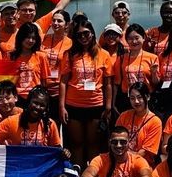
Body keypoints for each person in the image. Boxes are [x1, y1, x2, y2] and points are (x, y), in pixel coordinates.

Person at [60, 20, 112, 168]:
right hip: (74, 104)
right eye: (79, 35)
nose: (83, 37)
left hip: (95, 105)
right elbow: (63, 82)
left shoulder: (103, 54)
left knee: (93, 143)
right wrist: (62, 107)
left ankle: (93, 173)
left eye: (86, 33)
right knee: (77, 143)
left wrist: (108, 106)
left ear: (92, 33)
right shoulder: (69, 55)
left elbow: (108, 83)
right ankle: (78, 172)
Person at [114, 24, 159, 113]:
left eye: (137, 38)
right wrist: (113, 103)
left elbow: (156, 83)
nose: (134, 41)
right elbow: (117, 83)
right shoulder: (121, 59)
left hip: (146, 98)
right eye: (130, 38)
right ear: (126, 40)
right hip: (127, 99)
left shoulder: (152, 58)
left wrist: (154, 73)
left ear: (143, 38)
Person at [116, 82, 163, 165]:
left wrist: (124, 157)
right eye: (132, 98)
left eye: (139, 97)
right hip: (120, 160)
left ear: (148, 97)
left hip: (141, 163)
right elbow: (115, 140)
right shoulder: (123, 116)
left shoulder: (155, 122)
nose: (136, 101)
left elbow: (144, 152)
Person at [10, 22, 49, 104]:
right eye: (28, 37)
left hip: (35, 99)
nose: (31, 41)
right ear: (21, 37)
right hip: (16, 98)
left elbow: (44, 82)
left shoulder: (41, 56)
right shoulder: (11, 56)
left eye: (33, 38)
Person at [42, 10, 73, 106]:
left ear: (67, 24)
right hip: (43, 87)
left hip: (60, 89)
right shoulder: (43, 39)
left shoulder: (71, 43)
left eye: (59, 21)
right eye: (54, 20)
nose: (55, 23)